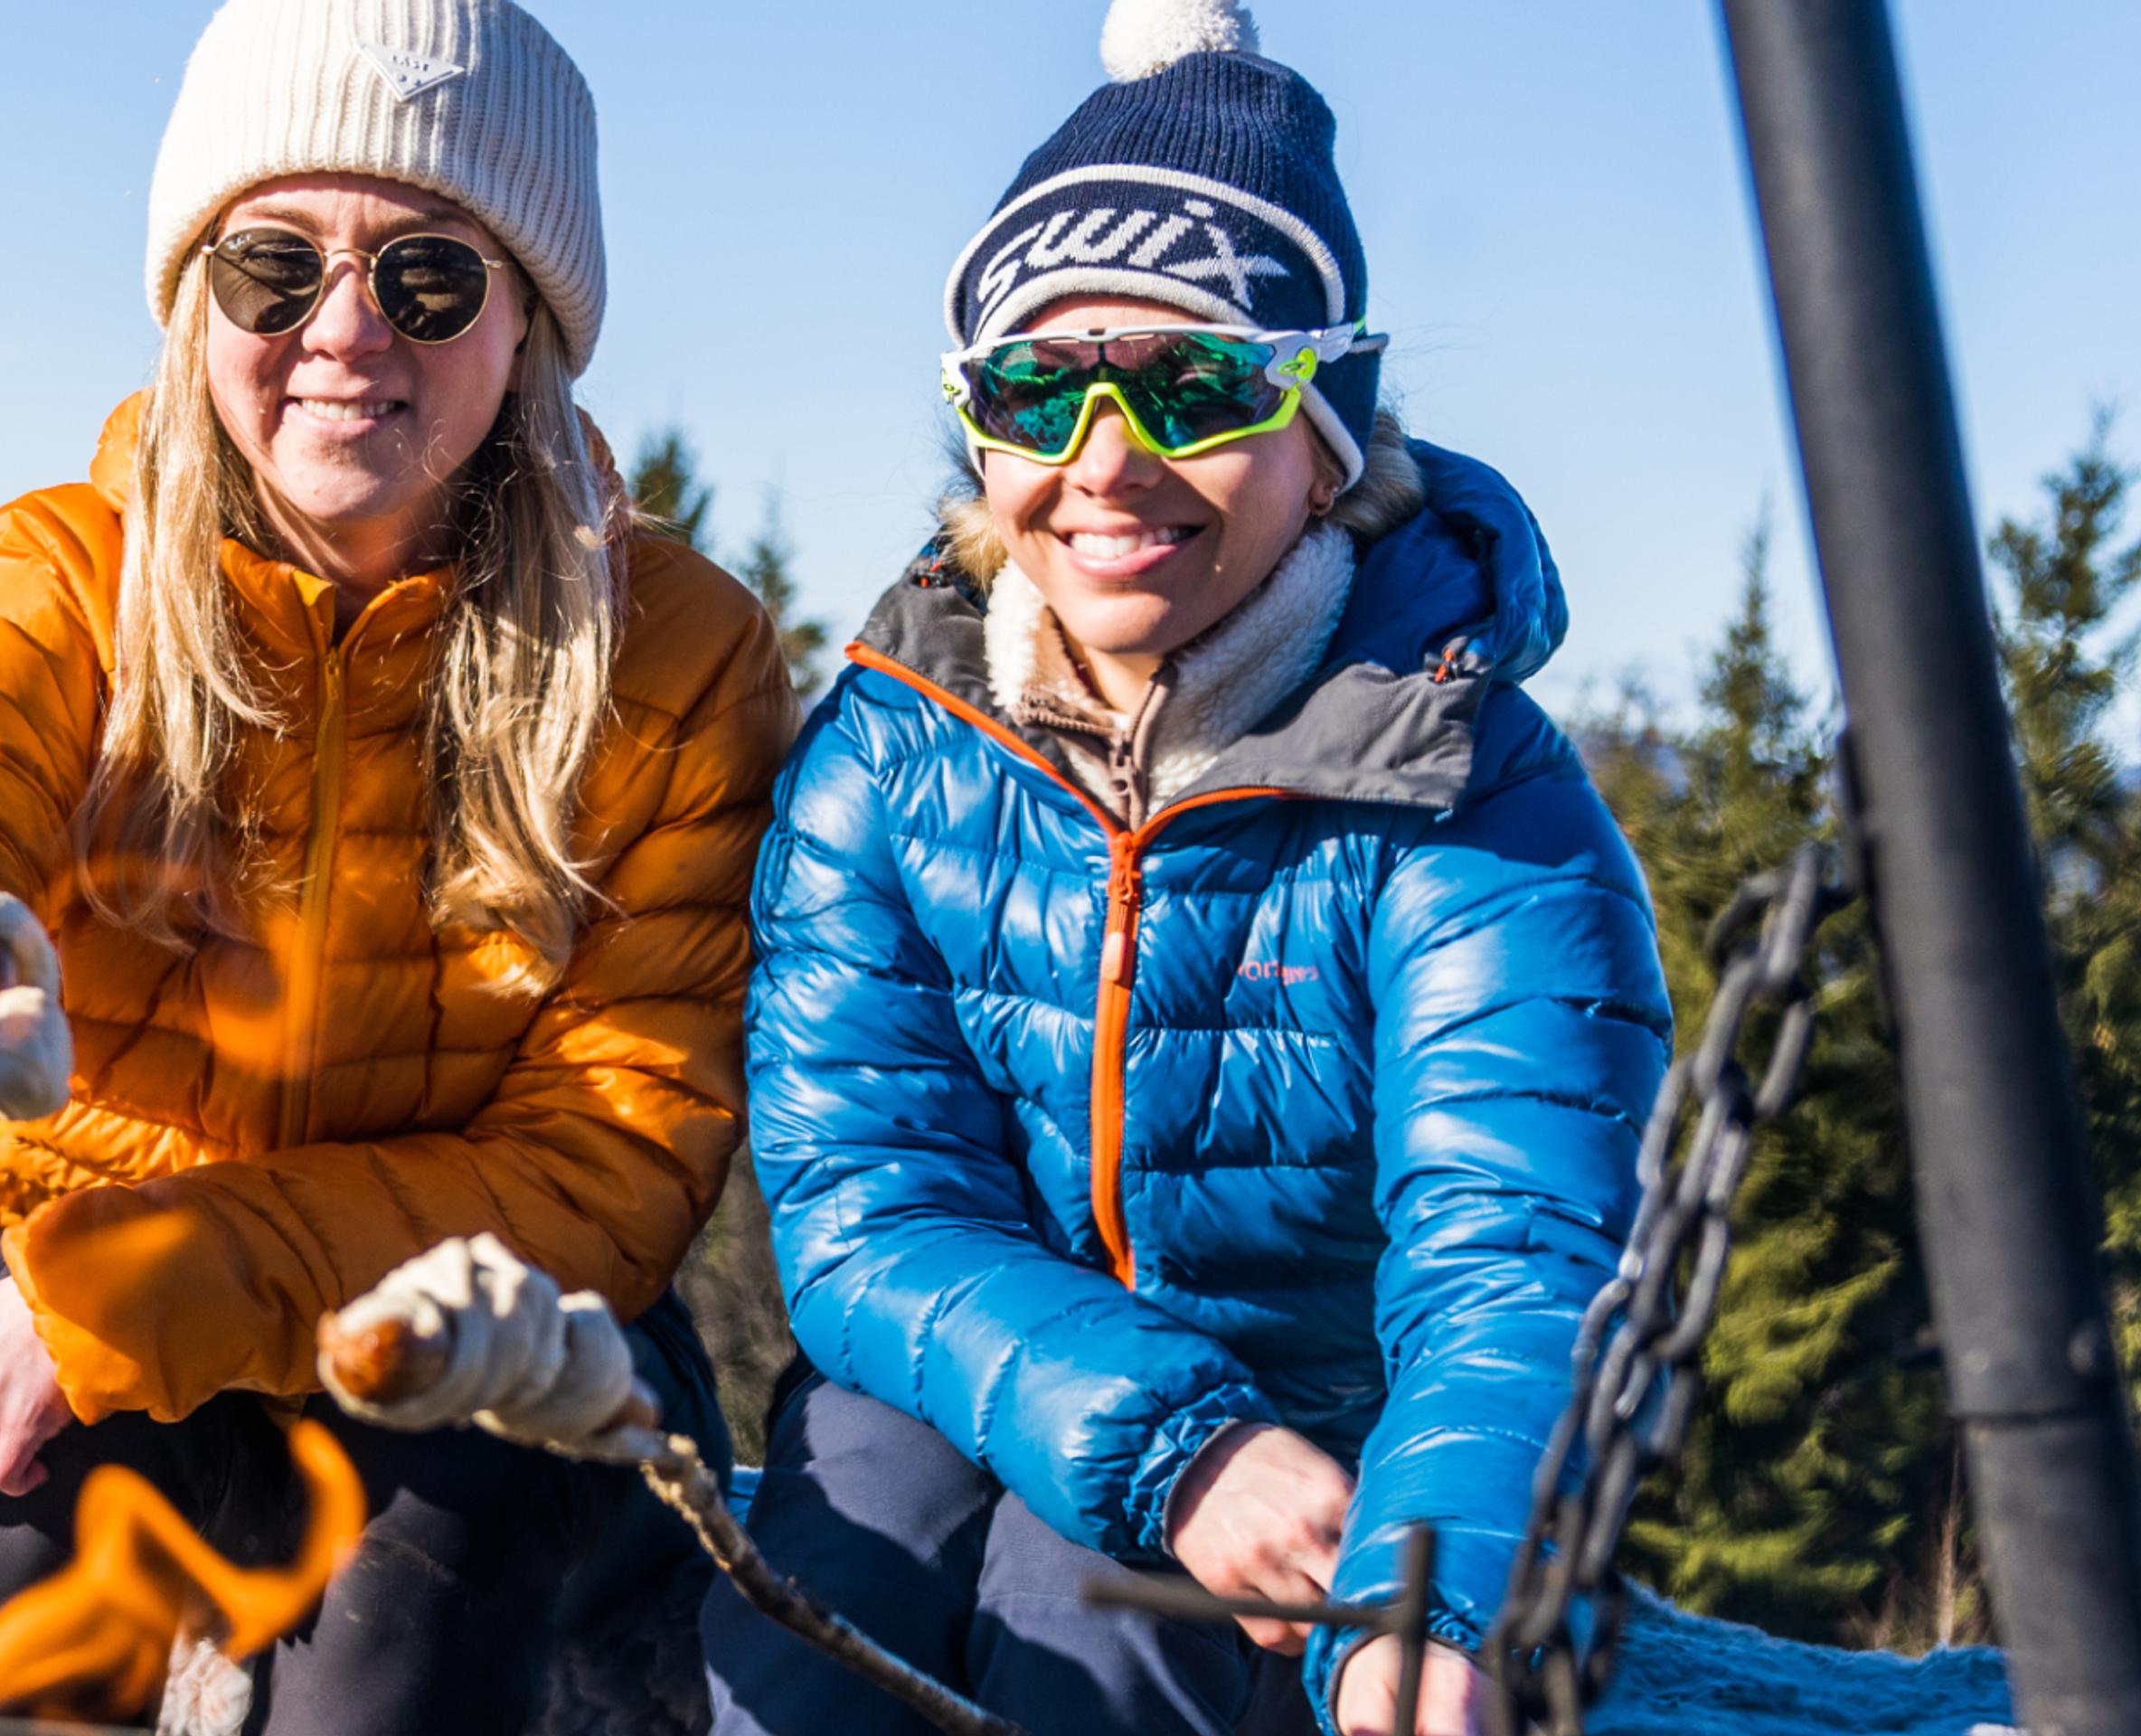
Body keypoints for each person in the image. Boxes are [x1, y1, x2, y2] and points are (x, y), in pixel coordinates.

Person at [0, 0, 794, 1727]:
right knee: (4, 1597)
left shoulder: (675, 658)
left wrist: (153, 1283)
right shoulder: (54, 586)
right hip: (78, 1277)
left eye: (425, 277)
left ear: (530, 327)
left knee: (419, 1610)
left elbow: (612, 1157)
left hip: (467, 1308)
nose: (342, 334)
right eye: (274, 268)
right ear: (199, 301)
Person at [703, 4, 1671, 1734]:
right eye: (1033, 387)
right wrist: (1171, 1442)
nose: (1101, 463)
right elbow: (863, 1209)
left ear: (1331, 434)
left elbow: (1511, 1248)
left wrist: (1434, 1586)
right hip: (957, 1369)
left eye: (1199, 383)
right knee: (806, 1623)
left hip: (1332, 1431)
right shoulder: (893, 750)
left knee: (1105, 1640)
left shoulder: (1471, 794)